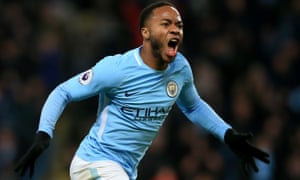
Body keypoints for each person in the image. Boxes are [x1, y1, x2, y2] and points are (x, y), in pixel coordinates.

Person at [14, 1, 270, 179]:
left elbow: (193, 106)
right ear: (146, 33)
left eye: (179, 25)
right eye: (166, 24)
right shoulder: (116, 68)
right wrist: (44, 134)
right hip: (94, 163)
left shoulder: (180, 68)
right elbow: (63, 92)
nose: (175, 30)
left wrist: (228, 134)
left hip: (125, 170)